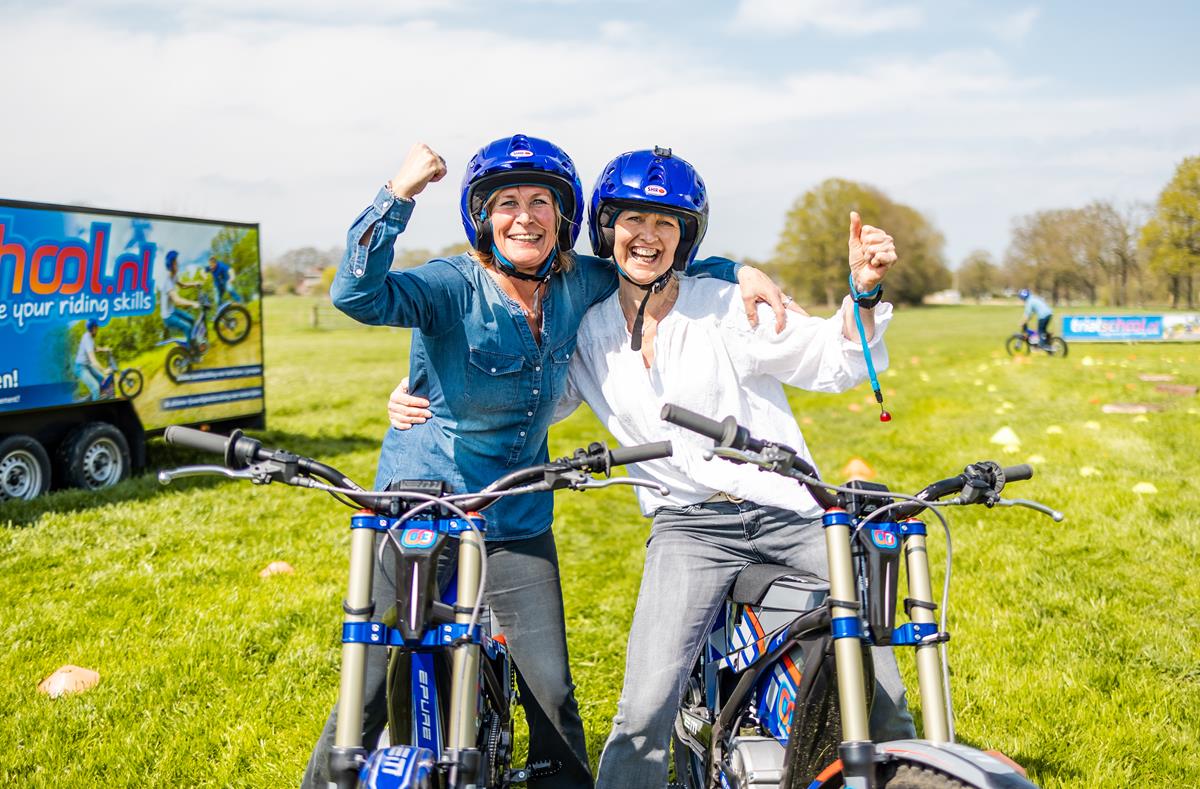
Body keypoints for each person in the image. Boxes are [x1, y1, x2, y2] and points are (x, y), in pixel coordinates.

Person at [388, 148, 917, 786]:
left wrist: (862, 293)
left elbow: (835, 361)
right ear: (607, 230)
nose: (649, 236)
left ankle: (904, 770)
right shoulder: (586, 327)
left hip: (792, 513)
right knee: (644, 708)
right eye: (635, 220)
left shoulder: (728, 307)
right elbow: (528, 395)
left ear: (684, 237)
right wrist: (424, 392)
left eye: (667, 224)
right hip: (687, 530)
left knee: (871, 660)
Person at [308, 135, 790, 789]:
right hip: (422, 504)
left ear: (563, 218)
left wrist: (739, 272)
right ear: (483, 217)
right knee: (367, 685)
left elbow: (656, 263)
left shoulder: (578, 283)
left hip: (518, 510)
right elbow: (357, 295)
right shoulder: (452, 285)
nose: (525, 216)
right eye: (507, 202)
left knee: (552, 695)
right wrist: (398, 194)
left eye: (541, 201)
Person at [159, 250, 200, 340]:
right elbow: (177, 301)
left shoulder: (174, 276)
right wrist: (193, 303)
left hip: (172, 311)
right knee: (187, 327)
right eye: (175, 262)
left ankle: (194, 341)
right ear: (171, 265)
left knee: (191, 320)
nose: (178, 263)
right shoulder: (168, 281)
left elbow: (183, 285)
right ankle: (191, 351)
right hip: (167, 317)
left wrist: (194, 284)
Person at [74, 318, 110, 400]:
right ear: (93, 328)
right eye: (97, 327)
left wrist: (104, 349)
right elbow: (93, 361)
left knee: (101, 379)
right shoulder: (88, 339)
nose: (98, 329)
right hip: (80, 368)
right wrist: (104, 370)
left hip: (87, 365)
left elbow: (95, 348)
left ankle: (99, 397)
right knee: (95, 388)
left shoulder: (89, 337)